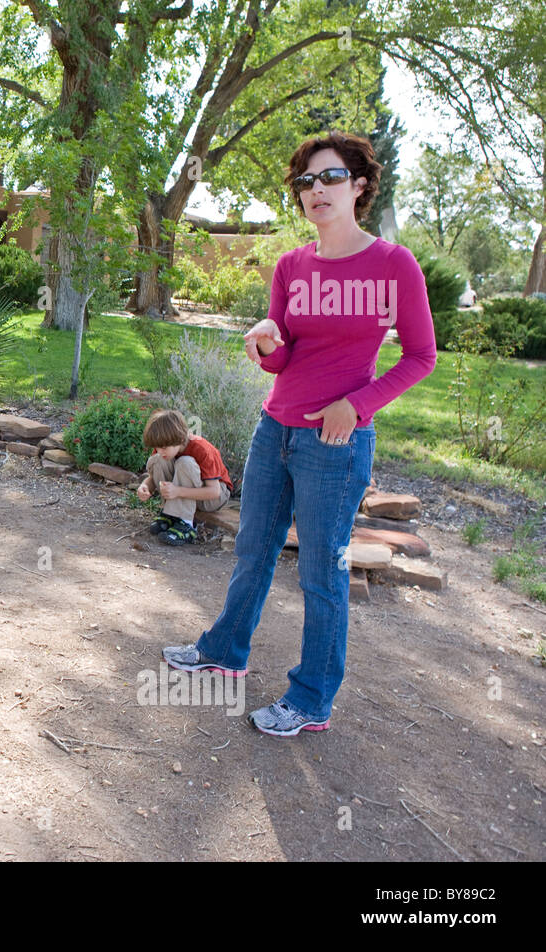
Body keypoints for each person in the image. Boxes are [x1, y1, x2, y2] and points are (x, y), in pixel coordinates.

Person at [162, 130, 437, 737]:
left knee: (321, 572)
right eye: (306, 181)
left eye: (331, 177)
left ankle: (311, 699)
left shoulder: (393, 264)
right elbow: (285, 356)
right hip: (274, 430)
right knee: (253, 550)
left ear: (359, 185)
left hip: (335, 446)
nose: (316, 190)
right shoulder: (292, 266)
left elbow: (421, 356)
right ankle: (226, 652)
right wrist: (265, 346)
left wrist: (357, 406)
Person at [135, 410, 233, 545]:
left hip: (214, 497)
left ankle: (186, 524)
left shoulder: (201, 448)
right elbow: (152, 478)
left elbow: (214, 491)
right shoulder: (163, 448)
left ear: (180, 439)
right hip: (190, 492)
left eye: (163, 447)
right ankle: (170, 515)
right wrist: (145, 486)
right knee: (158, 460)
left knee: (185, 462)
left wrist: (178, 491)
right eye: (157, 447)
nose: (159, 450)